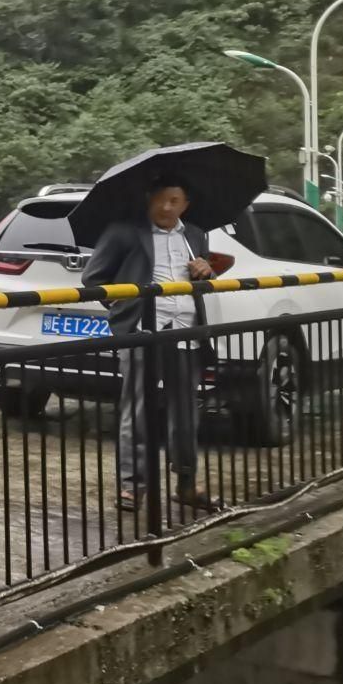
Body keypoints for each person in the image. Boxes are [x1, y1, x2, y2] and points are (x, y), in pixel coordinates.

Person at [82, 175, 225, 514]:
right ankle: (133, 486)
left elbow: (204, 282)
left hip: (185, 330)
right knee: (138, 410)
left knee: (186, 412)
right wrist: (126, 307)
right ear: (148, 199)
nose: (166, 207)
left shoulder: (194, 234)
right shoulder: (124, 231)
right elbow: (93, 278)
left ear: (185, 204)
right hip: (143, 331)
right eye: (160, 199)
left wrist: (206, 271)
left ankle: (187, 483)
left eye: (174, 200)